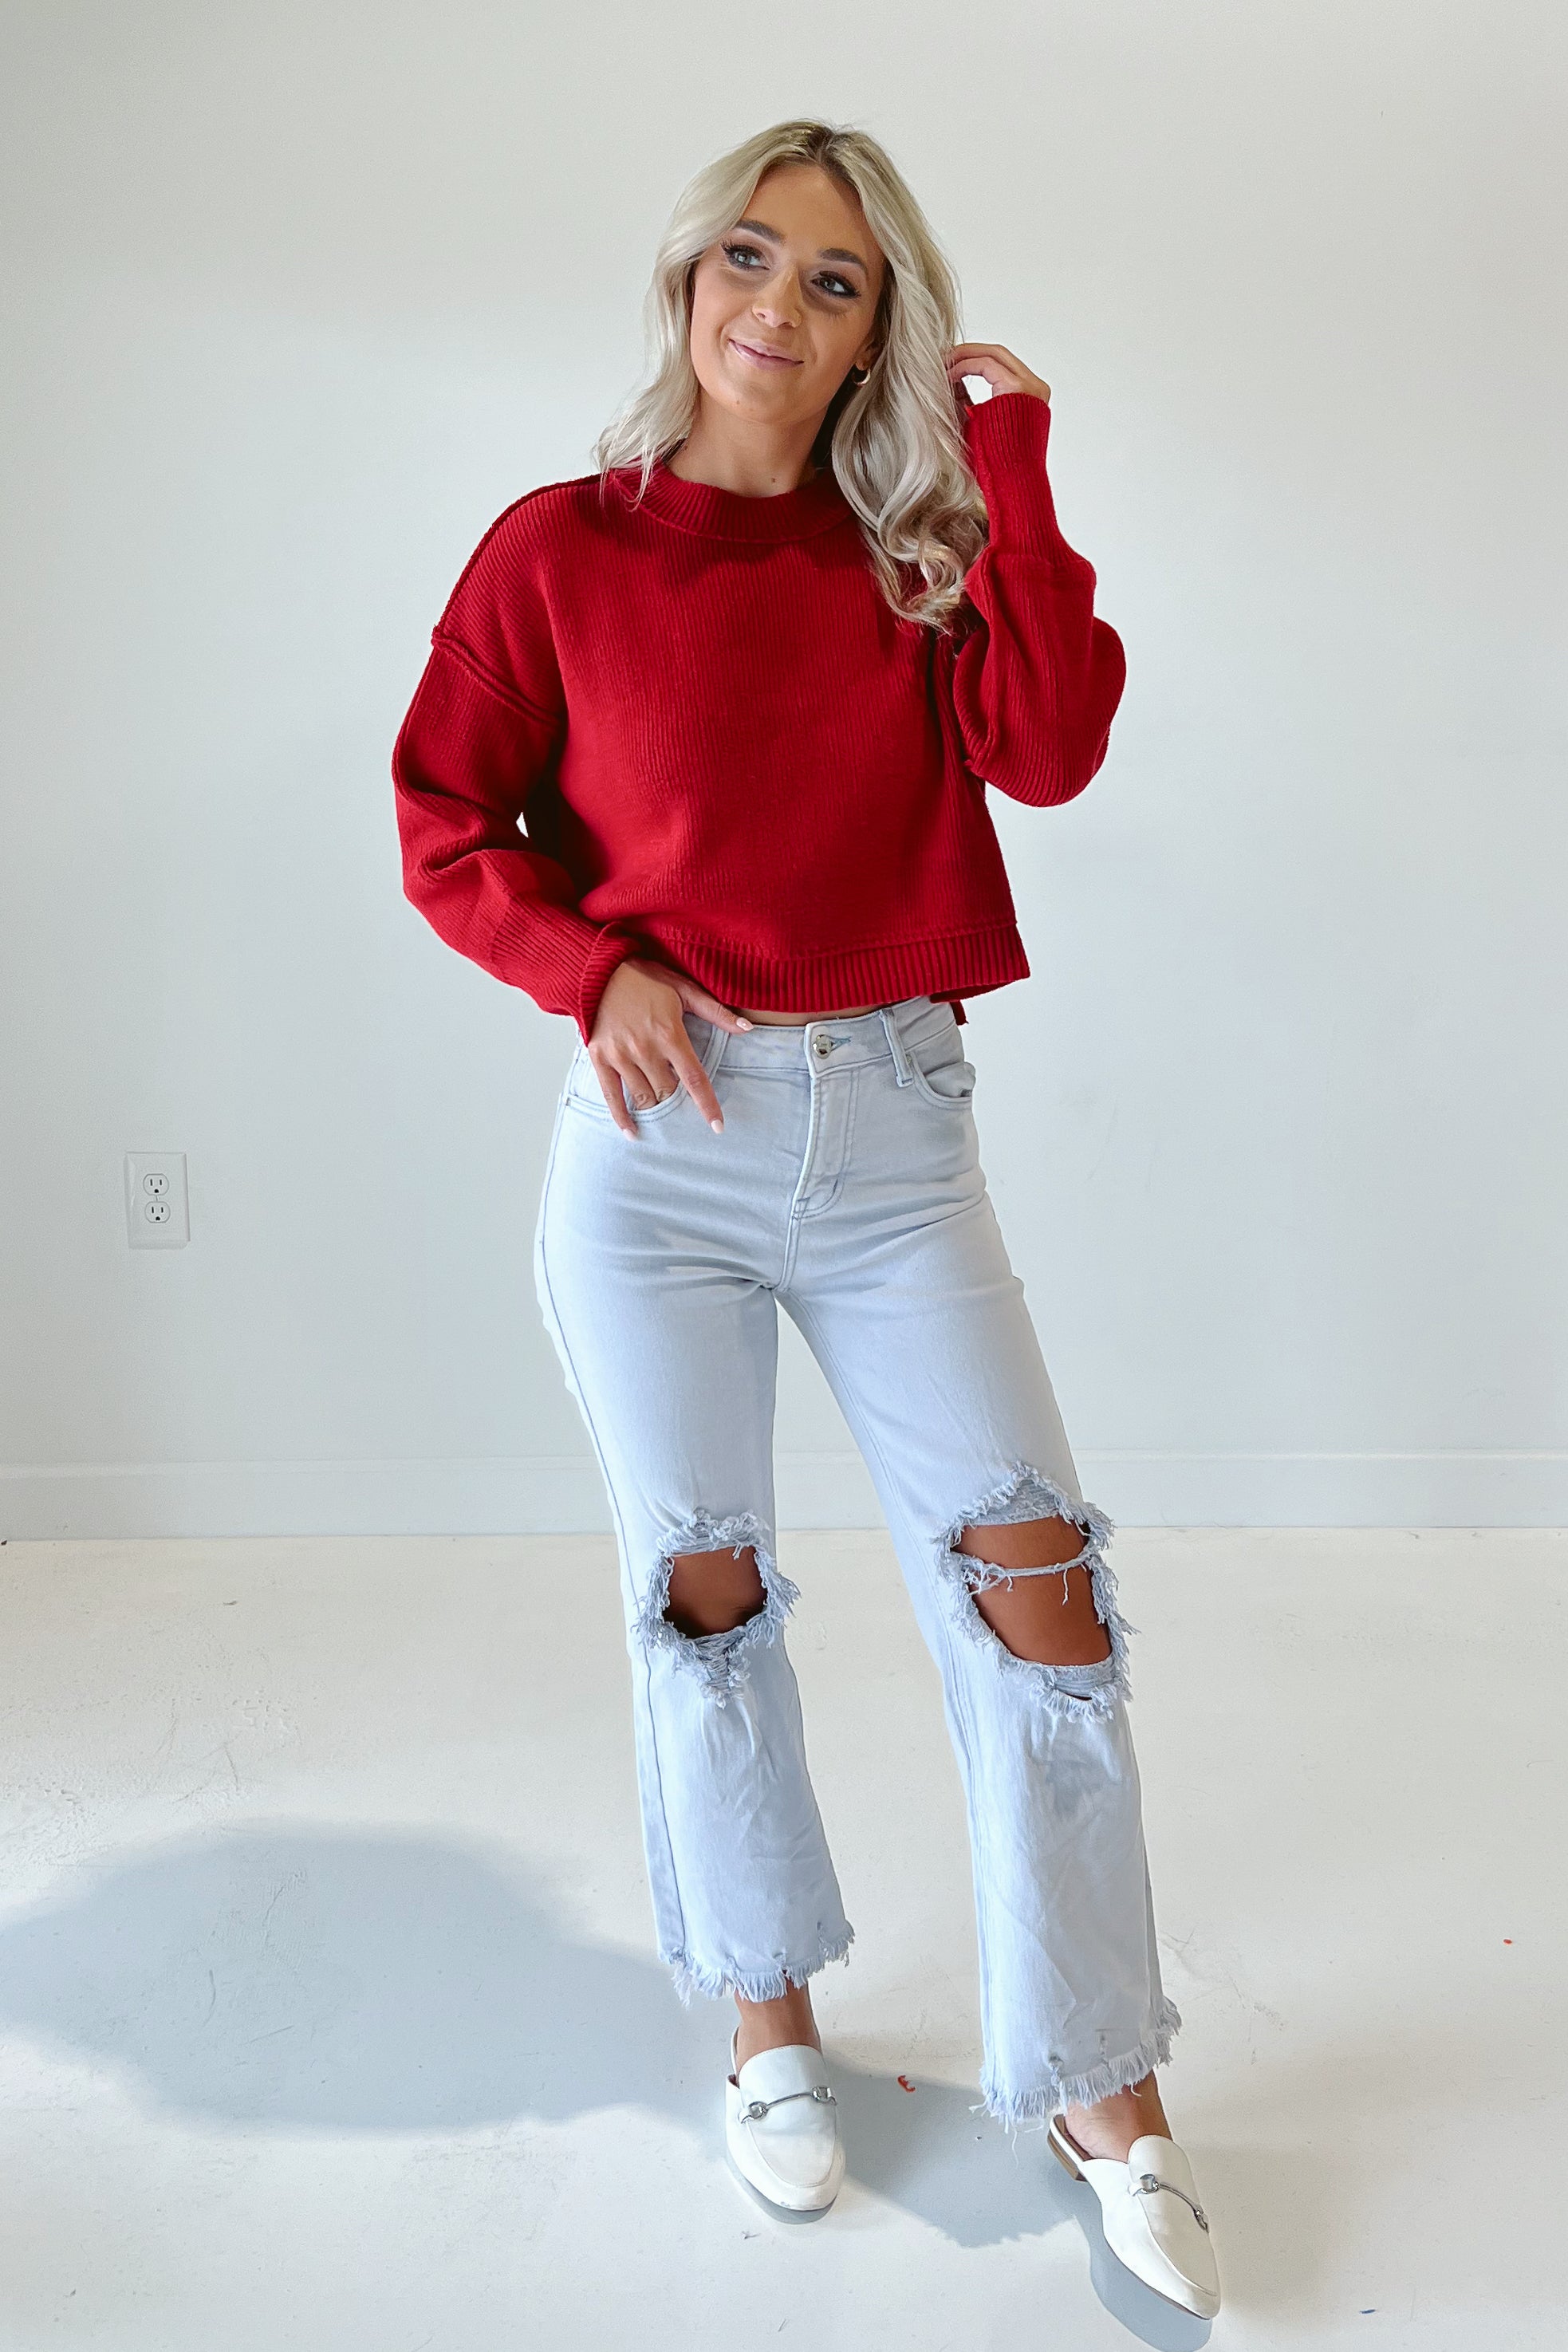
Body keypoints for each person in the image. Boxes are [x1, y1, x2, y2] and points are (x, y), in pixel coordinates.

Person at [392, 118, 1219, 2319]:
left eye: (835, 281)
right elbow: (446, 814)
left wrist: (1009, 466)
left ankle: (1103, 2083)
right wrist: (590, 968)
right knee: (710, 1589)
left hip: (897, 1140)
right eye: (748, 256)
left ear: (878, 335)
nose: (778, 303)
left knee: (1036, 1592)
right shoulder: (557, 553)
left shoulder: (920, 558)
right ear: (689, 282)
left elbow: (1050, 749)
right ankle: (769, 2022)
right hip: (660, 1154)